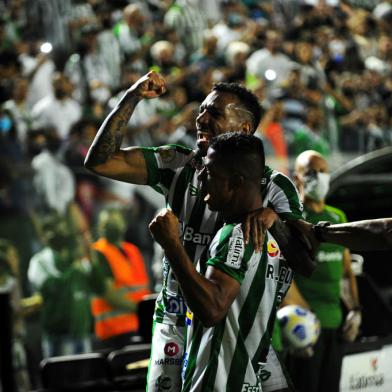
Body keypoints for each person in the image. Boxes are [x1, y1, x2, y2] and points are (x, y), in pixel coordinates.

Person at [84, 71, 306, 391]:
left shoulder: (274, 188)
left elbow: (304, 256)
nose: (200, 117)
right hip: (176, 318)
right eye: (201, 109)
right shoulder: (176, 163)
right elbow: (101, 162)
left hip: (238, 322)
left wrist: (277, 220)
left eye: (213, 112)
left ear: (243, 129)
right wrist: (131, 96)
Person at [149, 133, 292, 391]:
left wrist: (172, 245)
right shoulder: (273, 236)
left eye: (210, 173)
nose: (201, 178)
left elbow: (212, 308)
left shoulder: (237, 234)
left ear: (236, 183)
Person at [285, 150, 361, 392]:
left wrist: (355, 311)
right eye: (310, 172)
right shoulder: (291, 220)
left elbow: (346, 271)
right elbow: (283, 276)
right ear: (297, 178)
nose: (318, 177)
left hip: (335, 327)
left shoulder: (338, 217)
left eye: (322, 171)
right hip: (303, 330)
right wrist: (301, 320)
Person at [28, 213, 92, 358]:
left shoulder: (75, 255)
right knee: (59, 377)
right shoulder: (39, 261)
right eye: (49, 231)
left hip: (81, 332)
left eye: (59, 229)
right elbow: (51, 287)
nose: (56, 235)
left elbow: (93, 282)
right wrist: (73, 269)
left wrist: (88, 252)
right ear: (42, 236)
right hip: (57, 335)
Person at [90, 208, 150, 351]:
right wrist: (142, 311)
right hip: (113, 333)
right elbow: (109, 294)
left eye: (116, 220)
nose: (113, 225)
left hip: (140, 326)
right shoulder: (98, 252)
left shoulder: (132, 250)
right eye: (107, 223)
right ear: (100, 227)